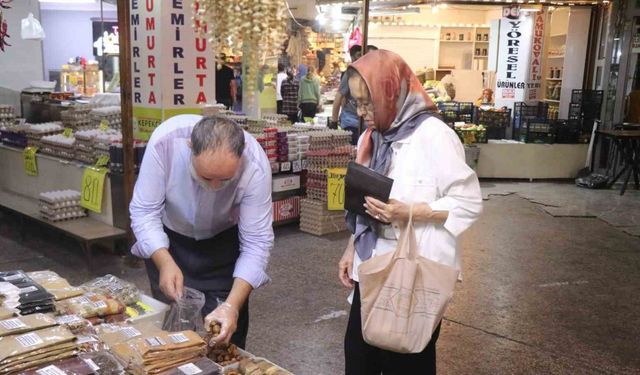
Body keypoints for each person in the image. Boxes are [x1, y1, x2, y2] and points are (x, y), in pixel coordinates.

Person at [338, 50, 483, 375]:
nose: (364, 113)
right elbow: (365, 200)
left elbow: (469, 202)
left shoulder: (434, 137)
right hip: (372, 269)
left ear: (393, 92)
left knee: (406, 363)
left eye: (369, 103)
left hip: (414, 275)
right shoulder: (372, 137)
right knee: (359, 361)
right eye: (358, 105)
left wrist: (411, 213)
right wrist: (350, 247)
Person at [130, 115, 273, 349]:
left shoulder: (255, 164)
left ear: (241, 154)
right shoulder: (165, 143)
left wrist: (232, 306)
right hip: (169, 241)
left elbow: (257, 242)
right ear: (190, 148)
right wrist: (164, 261)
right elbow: (144, 211)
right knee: (170, 329)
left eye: (225, 180)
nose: (215, 187)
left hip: (223, 244)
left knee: (223, 336)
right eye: (206, 177)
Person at [331, 45, 377, 145]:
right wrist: (334, 122)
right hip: (351, 123)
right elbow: (339, 97)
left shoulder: (377, 76)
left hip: (367, 125)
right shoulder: (351, 74)